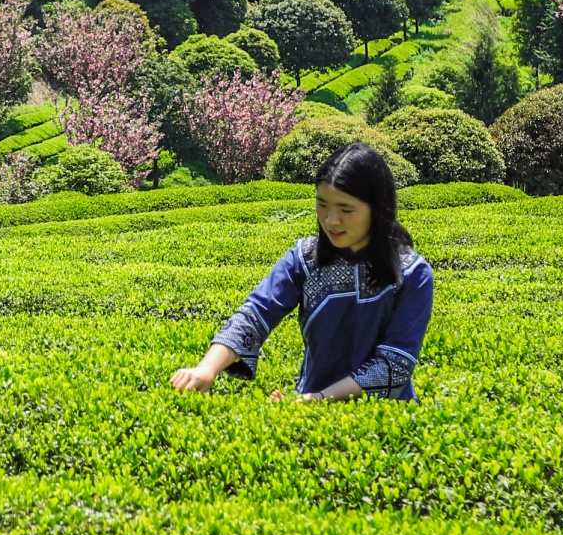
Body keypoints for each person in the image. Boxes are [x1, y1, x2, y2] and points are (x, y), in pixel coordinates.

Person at [171, 142, 433, 402]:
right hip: (309, 403)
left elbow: (394, 367)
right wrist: (207, 368)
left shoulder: (412, 274)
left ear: (377, 209)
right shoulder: (304, 259)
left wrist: (318, 399)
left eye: (346, 209)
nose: (331, 220)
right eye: (322, 205)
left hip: (387, 420)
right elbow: (255, 313)